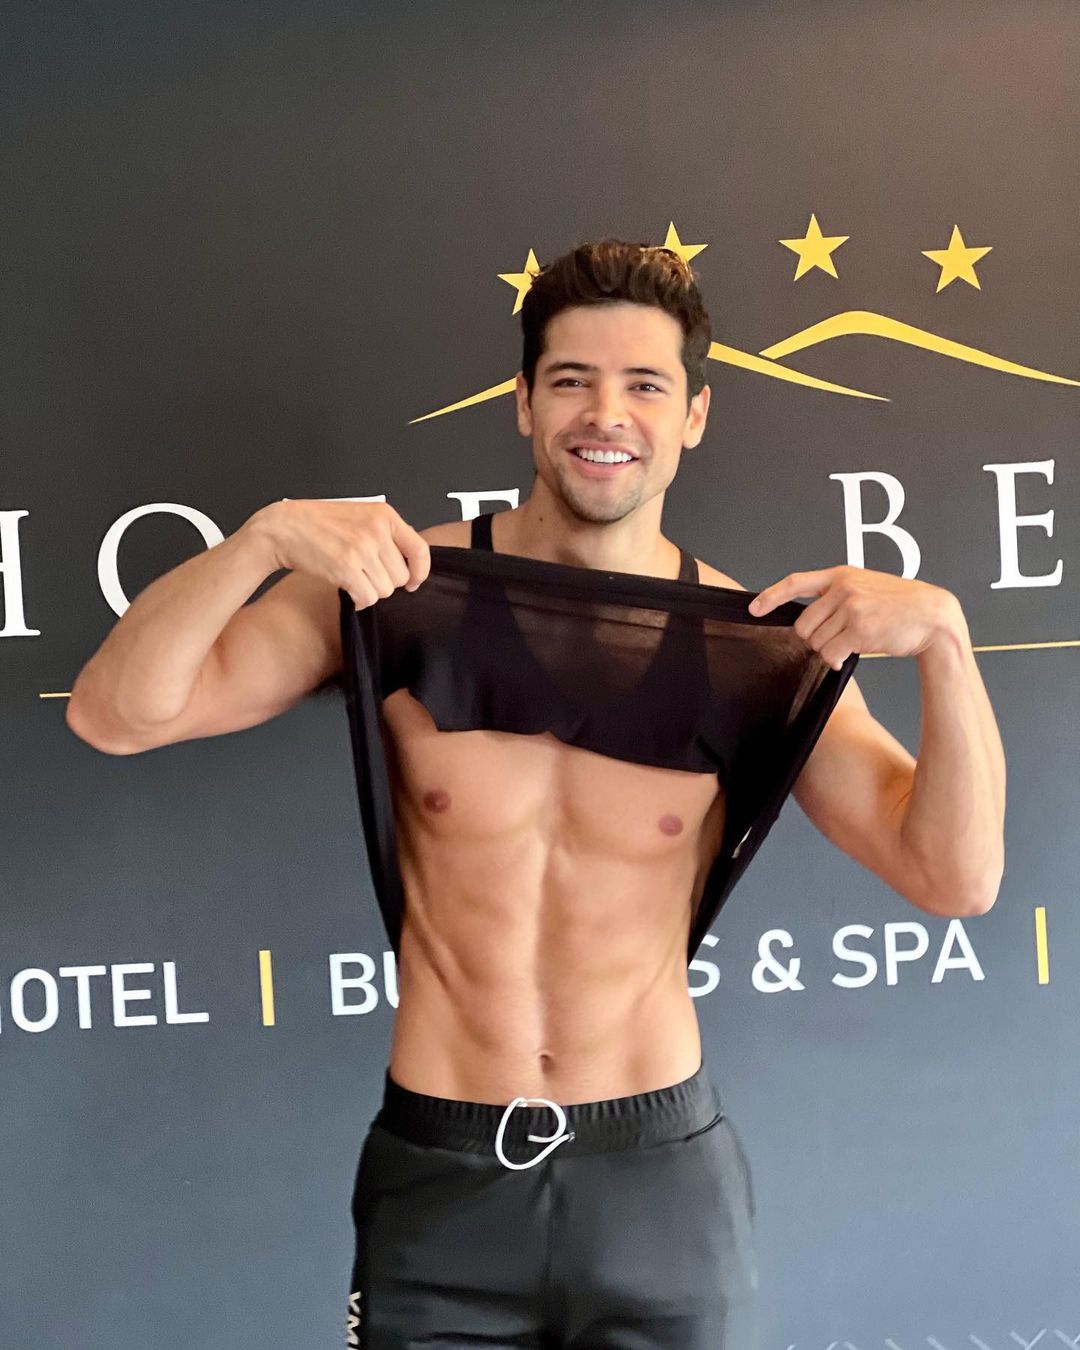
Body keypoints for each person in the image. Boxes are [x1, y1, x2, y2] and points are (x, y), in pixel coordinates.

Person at [66, 239, 1005, 1348]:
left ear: (694, 415)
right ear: (523, 403)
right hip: (441, 1177)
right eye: (572, 381)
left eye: (644, 385)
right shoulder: (398, 594)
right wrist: (263, 539)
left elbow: (954, 878)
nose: (606, 415)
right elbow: (115, 714)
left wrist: (947, 644)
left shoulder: (755, 648)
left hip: (656, 1183)